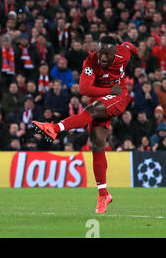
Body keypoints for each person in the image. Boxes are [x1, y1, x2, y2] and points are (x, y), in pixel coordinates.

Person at [32, 36, 137, 213]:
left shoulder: (123, 54)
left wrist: (137, 52)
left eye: (107, 55)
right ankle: (103, 194)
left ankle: (54, 128)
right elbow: (83, 89)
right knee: (97, 144)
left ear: (115, 53)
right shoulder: (90, 62)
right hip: (103, 96)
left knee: (93, 110)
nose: (103, 58)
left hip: (118, 97)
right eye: (100, 53)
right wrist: (108, 90)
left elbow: (129, 46)